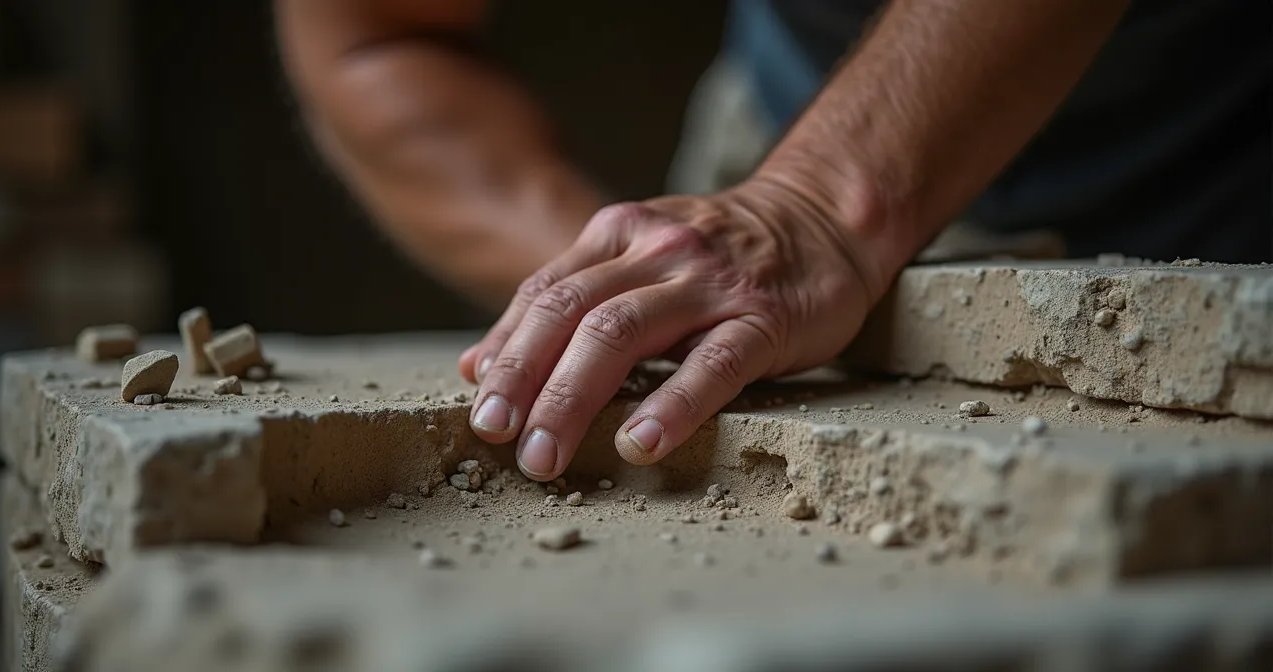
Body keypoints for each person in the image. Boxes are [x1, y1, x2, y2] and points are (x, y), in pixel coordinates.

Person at [277, 0, 1270, 481]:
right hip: (798, 104)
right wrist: (618, 302)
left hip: (1221, 138)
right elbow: (379, 41)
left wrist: (820, 203)